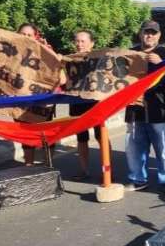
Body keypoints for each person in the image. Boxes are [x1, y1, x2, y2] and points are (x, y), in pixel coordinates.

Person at [123, 21, 165, 194]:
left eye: (153, 33)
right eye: (146, 32)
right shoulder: (131, 53)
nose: (149, 36)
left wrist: (163, 62)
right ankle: (137, 179)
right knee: (134, 147)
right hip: (135, 109)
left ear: (159, 36)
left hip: (160, 110)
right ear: (140, 34)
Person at [67, 30, 110, 180]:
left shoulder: (100, 60)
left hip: (96, 103)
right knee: (81, 138)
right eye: (77, 41)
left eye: (83, 41)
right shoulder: (68, 60)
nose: (79, 44)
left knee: (101, 135)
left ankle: (107, 170)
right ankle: (84, 170)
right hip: (76, 102)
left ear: (92, 43)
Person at [16, 23, 58, 166]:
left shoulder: (45, 51)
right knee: (25, 134)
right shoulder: (11, 51)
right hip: (21, 100)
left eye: (29, 35)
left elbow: (58, 66)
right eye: (23, 34)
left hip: (43, 100)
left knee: (46, 135)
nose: (26, 37)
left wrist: (46, 49)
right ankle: (29, 166)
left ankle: (48, 166)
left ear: (36, 36)